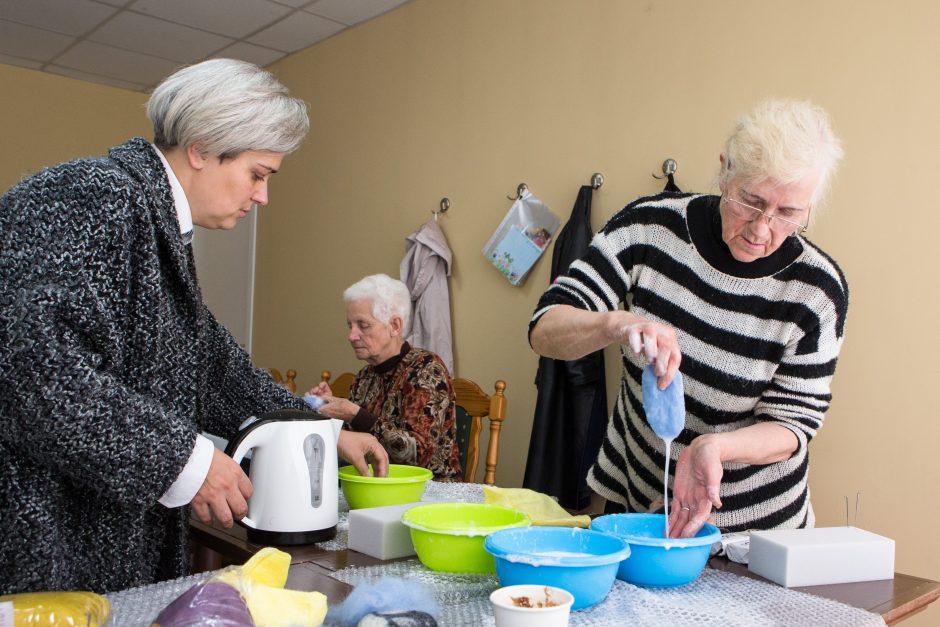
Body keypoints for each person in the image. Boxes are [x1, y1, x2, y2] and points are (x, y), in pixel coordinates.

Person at [0, 59, 387, 595]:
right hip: (49, 545)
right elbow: (36, 373)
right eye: (257, 174)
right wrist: (183, 458)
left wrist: (321, 430)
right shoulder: (93, 195)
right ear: (202, 148)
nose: (263, 196)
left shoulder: (156, 232)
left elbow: (215, 368)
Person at [529, 99, 847, 538]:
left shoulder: (817, 290)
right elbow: (546, 329)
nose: (761, 229)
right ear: (723, 171)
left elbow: (794, 424)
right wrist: (616, 324)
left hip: (754, 536)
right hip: (637, 501)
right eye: (749, 201)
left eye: (788, 213)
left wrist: (714, 447)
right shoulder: (648, 228)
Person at [310, 274, 462, 480]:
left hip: (427, 492)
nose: (351, 336)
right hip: (375, 485)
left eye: (363, 325)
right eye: (350, 325)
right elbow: (353, 444)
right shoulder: (365, 376)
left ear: (395, 326)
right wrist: (332, 412)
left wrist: (355, 413)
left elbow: (416, 454)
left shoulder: (426, 369)